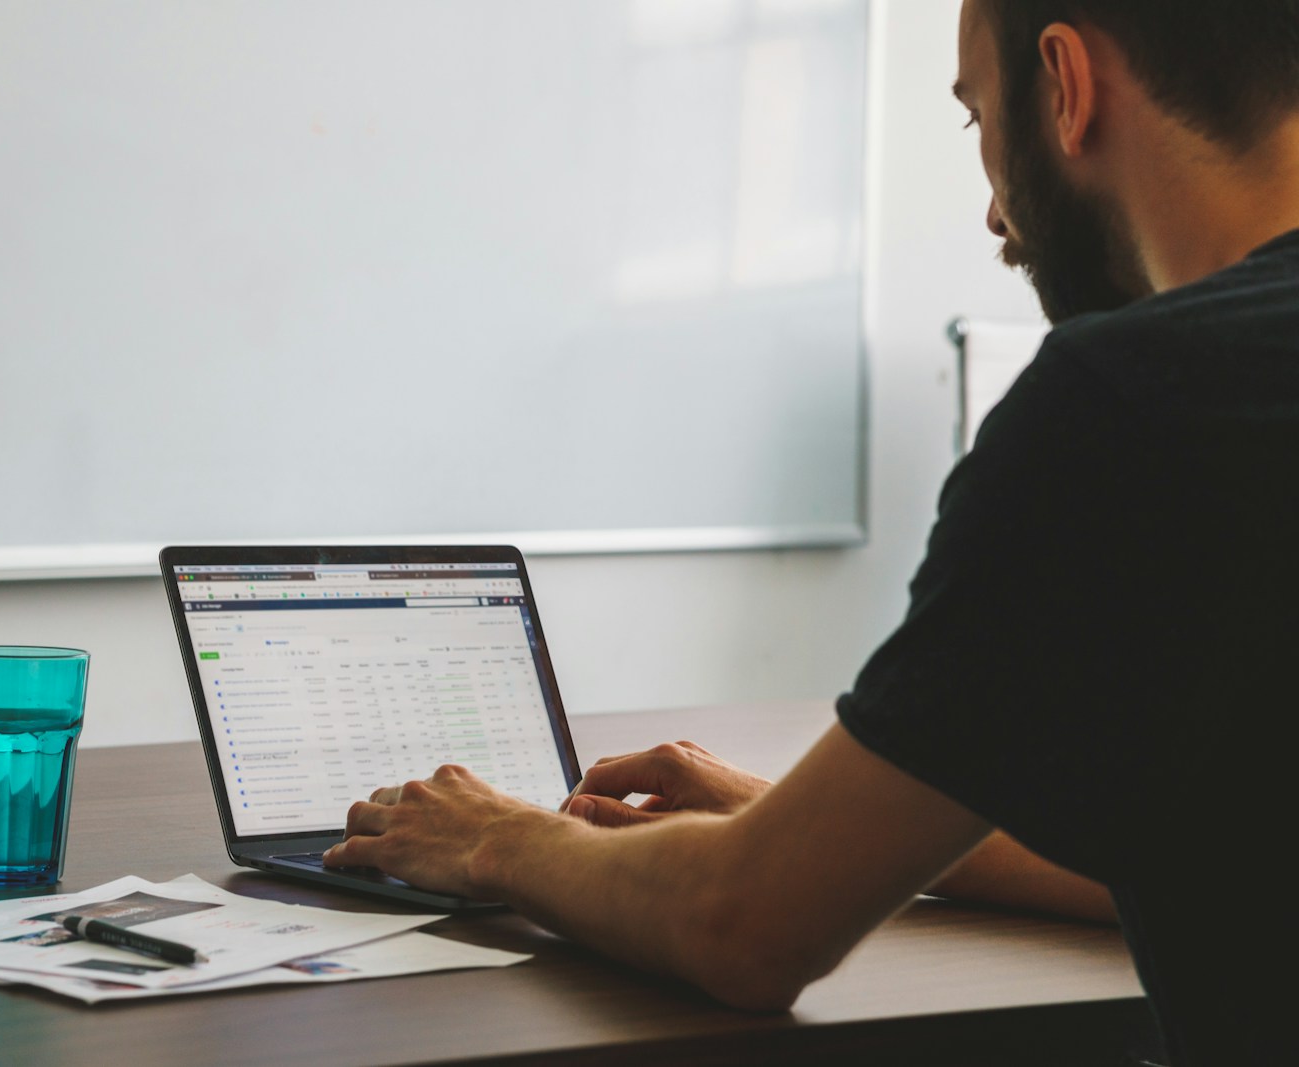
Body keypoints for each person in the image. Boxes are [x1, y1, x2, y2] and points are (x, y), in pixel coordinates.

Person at [324, 2, 1299, 1062]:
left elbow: (742, 928)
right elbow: (1226, 855)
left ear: (1064, 85)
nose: (991, 217)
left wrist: (498, 838)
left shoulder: (1132, 406)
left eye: (978, 120)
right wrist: (811, 820)